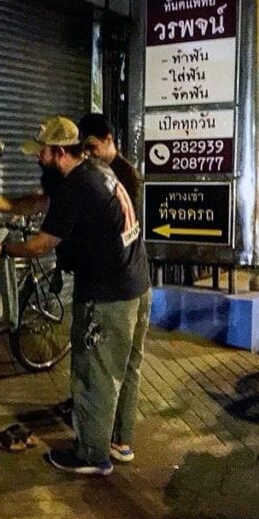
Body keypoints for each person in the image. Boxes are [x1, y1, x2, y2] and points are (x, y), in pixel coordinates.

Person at [0, 116, 144, 476]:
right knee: (119, 369)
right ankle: (118, 443)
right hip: (134, 283)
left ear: (59, 152)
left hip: (108, 293)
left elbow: (43, 244)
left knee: (94, 374)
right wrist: (3, 204)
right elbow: (45, 203)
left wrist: (4, 250)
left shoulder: (76, 186)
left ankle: (92, 455)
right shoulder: (94, 172)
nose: (38, 158)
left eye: (42, 152)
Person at [78, 112, 152, 465]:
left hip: (121, 288)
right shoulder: (120, 172)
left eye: (93, 147)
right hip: (140, 281)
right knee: (129, 366)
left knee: (109, 370)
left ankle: (98, 449)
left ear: (109, 139)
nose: (89, 155)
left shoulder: (114, 177)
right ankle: (122, 441)